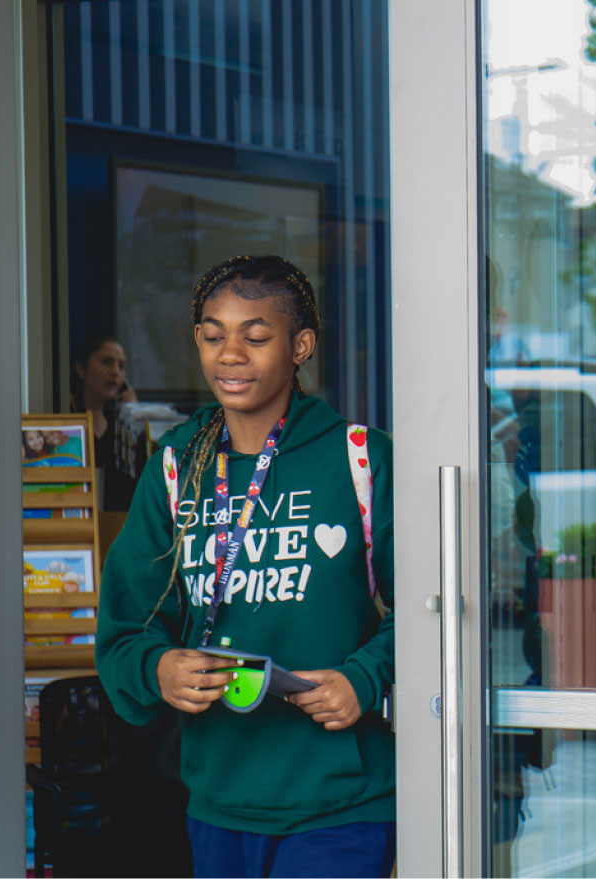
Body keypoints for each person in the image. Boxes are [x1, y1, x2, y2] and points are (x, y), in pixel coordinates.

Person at [95, 255, 396, 878]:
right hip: (218, 801)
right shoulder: (176, 469)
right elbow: (125, 629)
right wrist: (158, 668)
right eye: (212, 335)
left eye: (255, 336)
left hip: (341, 804)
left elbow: (441, 610)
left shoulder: (360, 460)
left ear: (300, 346)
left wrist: (364, 678)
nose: (230, 353)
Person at [69, 336, 143, 509]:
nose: (115, 372)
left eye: (121, 367)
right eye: (106, 362)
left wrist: (133, 415)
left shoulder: (119, 426)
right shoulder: (69, 422)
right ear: (81, 369)